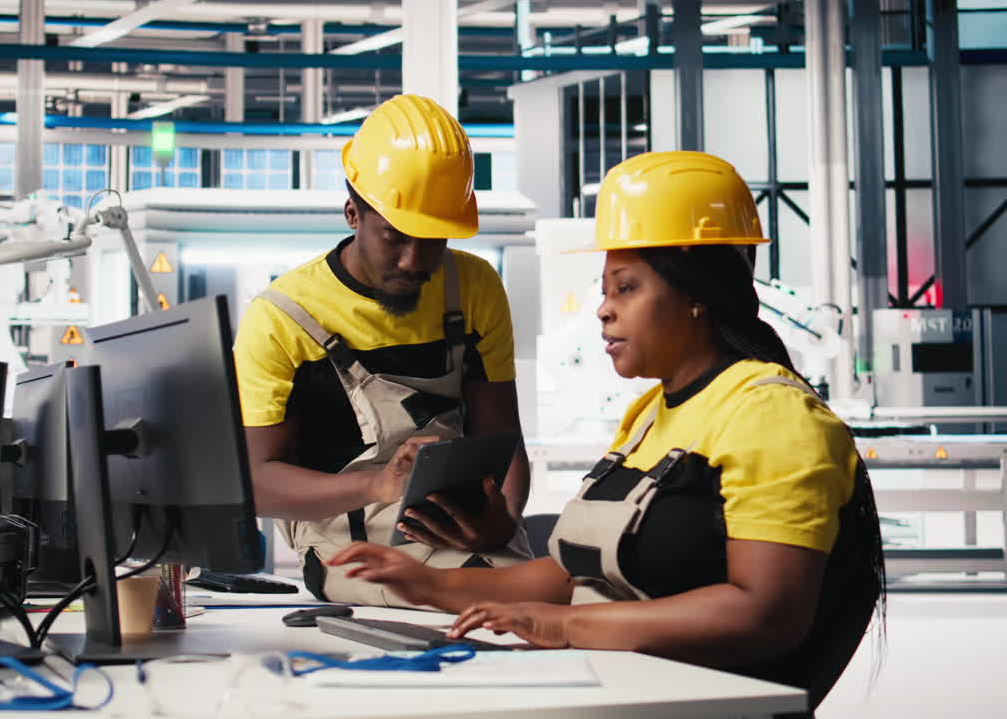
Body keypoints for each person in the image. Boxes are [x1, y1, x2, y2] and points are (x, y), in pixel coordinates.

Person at [329, 151, 885, 709]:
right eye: (604, 290)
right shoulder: (650, 413)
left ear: (695, 293)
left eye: (625, 288)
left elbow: (766, 614)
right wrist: (423, 585)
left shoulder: (770, 415)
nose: (603, 311)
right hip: (610, 690)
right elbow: (571, 576)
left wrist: (562, 627)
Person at [233, 94, 532, 607]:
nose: (417, 260)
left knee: (545, 593)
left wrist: (501, 518)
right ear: (353, 213)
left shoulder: (475, 286)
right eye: (396, 237)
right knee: (486, 601)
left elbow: (501, 436)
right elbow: (255, 483)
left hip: (466, 529)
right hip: (345, 543)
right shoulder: (282, 316)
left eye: (434, 238)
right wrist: (378, 486)